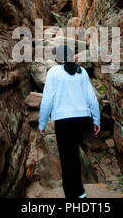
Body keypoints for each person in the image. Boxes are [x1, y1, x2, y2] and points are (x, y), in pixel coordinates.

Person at [38, 45, 101, 199]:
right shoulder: (82, 72)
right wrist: (97, 120)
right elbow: (92, 98)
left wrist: (42, 123)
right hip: (81, 120)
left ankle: (73, 195)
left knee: (67, 158)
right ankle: (80, 192)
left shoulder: (53, 72)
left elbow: (47, 100)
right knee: (74, 154)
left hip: (64, 121)